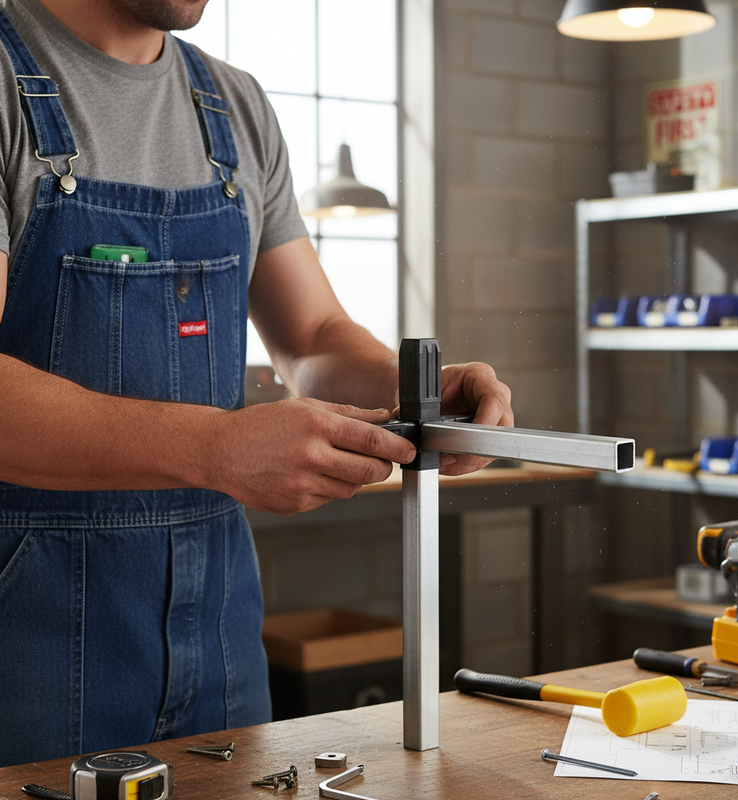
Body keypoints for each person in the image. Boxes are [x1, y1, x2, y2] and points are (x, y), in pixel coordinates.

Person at [0, 0, 514, 768]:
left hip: (220, 641)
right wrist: (217, 447)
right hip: (29, 647)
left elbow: (310, 337)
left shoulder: (233, 105)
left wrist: (421, 393)